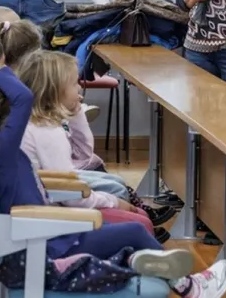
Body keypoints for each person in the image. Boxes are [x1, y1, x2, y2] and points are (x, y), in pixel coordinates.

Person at [0, 38, 226, 296]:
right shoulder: (5, 152)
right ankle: (190, 288)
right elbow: (23, 98)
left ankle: (144, 263)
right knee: (134, 231)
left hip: (39, 237)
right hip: (43, 245)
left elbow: (21, 99)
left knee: (132, 234)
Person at [17, 50, 154, 234]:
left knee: (137, 214)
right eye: (75, 83)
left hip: (48, 205)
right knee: (141, 225)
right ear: (55, 91)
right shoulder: (48, 132)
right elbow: (71, 197)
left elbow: (83, 157)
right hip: (49, 216)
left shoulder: (37, 122)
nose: (80, 88)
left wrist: (76, 113)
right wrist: (112, 201)